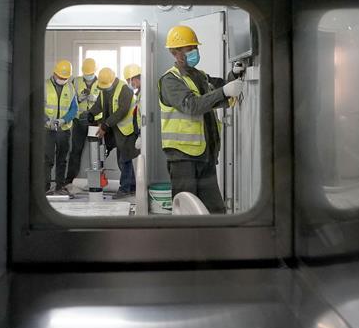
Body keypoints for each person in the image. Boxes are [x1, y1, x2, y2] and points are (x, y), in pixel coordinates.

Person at [158, 25, 245, 213]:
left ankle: (214, 242)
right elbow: (192, 105)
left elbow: (219, 90)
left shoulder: (199, 76)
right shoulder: (170, 80)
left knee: (215, 211)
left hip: (206, 154)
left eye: (195, 47)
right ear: (176, 53)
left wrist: (234, 76)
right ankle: (184, 243)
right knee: (188, 212)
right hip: (182, 158)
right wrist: (223, 91)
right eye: (189, 48)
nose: (194, 52)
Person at [87, 67, 138, 199]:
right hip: (113, 130)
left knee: (124, 159)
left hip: (125, 130)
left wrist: (105, 125)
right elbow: (99, 104)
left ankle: (125, 188)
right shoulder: (104, 89)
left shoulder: (125, 89)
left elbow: (122, 111)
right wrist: (91, 113)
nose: (104, 89)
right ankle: (132, 186)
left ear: (113, 79)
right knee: (122, 159)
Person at [43, 59, 78, 196]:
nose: (62, 79)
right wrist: (47, 120)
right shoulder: (44, 86)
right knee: (47, 159)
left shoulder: (70, 88)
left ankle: (59, 186)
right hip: (47, 129)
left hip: (63, 129)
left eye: (65, 77)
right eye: (61, 77)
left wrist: (63, 120)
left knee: (62, 159)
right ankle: (45, 187)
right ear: (54, 74)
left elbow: (74, 109)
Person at [66, 57, 100, 183]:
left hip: (95, 122)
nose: (88, 76)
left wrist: (95, 98)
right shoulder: (76, 81)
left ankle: (97, 181)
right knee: (75, 151)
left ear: (94, 71)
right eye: (86, 73)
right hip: (79, 121)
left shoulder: (101, 81)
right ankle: (70, 181)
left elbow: (105, 102)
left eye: (90, 74)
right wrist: (79, 99)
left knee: (96, 152)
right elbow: (69, 101)